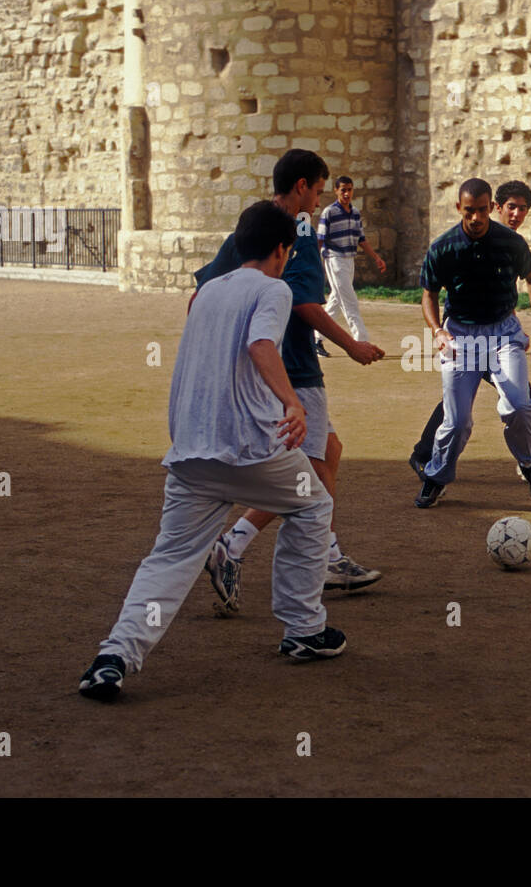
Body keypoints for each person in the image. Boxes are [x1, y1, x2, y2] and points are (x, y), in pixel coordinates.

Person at [77, 201, 345, 702]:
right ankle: (305, 630)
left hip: (191, 453)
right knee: (314, 503)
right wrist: (293, 403)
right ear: (282, 250)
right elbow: (262, 344)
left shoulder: (206, 293)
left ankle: (112, 657)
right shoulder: (274, 288)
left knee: (171, 556)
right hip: (250, 450)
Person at [198, 150, 387, 618]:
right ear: (301, 186)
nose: (318, 200)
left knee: (328, 452)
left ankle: (320, 555)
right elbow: (304, 302)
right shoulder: (296, 231)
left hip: (260, 370)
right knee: (309, 470)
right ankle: (254, 552)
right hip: (295, 369)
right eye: (318, 190)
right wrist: (351, 345)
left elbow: (203, 290)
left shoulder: (250, 226)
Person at [408, 180, 531, 486]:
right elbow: (430, 292)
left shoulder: (510, 243)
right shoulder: (449, 245)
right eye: (511, 207)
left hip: (502, 336)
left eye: (523, 209)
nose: (517, 214)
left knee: (520, 401)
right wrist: (439, 331)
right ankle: (427, 459)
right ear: (497, 208)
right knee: (456, 410)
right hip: (464, 336)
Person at [314, 176, 386, 357]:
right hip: (334, 259)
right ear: (336, 191)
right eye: (343, 190)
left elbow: (361, 239)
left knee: (336, 301)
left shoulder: (355, 212)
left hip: (349, 259)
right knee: (349, 300)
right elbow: (320, 240)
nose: (347, 193)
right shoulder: (328, 212)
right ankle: (362, 340)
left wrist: (376, 257)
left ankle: (316, 339)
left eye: (349, 190)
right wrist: (313, 262)